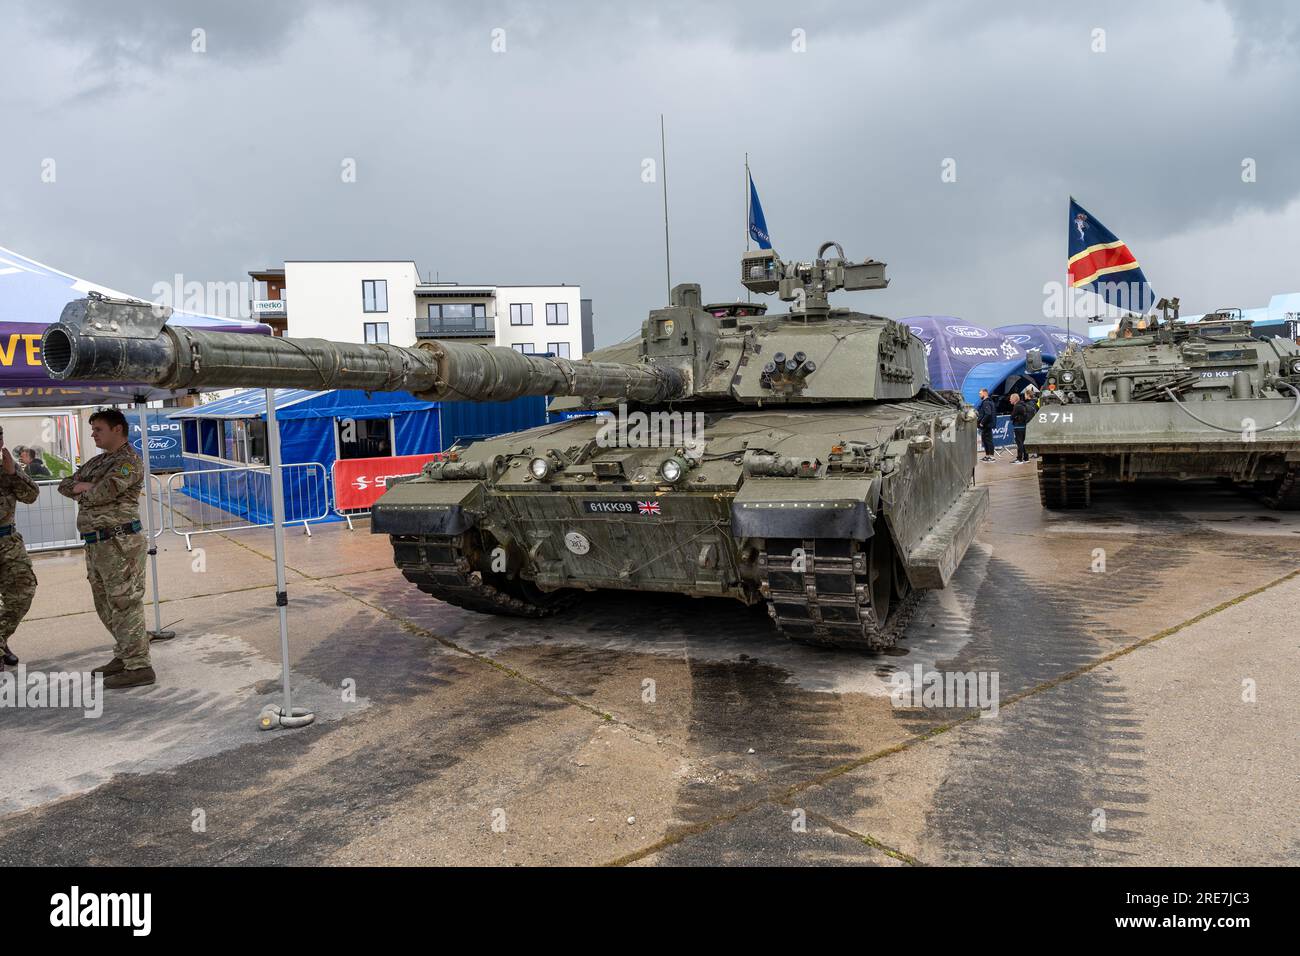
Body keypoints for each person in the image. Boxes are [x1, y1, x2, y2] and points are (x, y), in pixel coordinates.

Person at [58, 408, 154, 689]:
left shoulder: (129, 461)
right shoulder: (99, 462)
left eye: (98, 429)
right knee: (105, 605)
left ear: (117, 429)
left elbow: (104, 492)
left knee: (124, 602)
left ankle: (139, 666)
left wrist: (85, 487)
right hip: (97, 544)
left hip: (119, 543)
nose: (93, 434)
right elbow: (65, 485)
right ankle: (125, 654)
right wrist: (83, 485)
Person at [0, 426, 40, 669]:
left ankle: (1, 640)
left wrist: (13, 472)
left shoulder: (7, 468)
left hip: (8, 542)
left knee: (22, 592)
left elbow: (31, 495)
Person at [1009, 392, 1034, 463]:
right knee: (1023, 442)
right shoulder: (1023, 404)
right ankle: (1026, 458)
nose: (1009, 400)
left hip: (1018, 426)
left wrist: (1013, 417)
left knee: (1019, 443)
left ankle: (1019, 458)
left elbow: (1012, 417)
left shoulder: (1017, 406)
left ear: (1014, 399)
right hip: (1024, 426)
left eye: (1011, 399)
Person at [976, 388, 997, 462]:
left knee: (988, 440)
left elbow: (988, 413)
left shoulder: (986, 402)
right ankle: (987, 455)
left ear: (985, 393)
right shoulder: (988, 401)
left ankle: (991, 456)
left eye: (980, 393)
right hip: (986, 425)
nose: (979, 395)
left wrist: (982, 422)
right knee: (985, 440)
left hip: (986, 425)